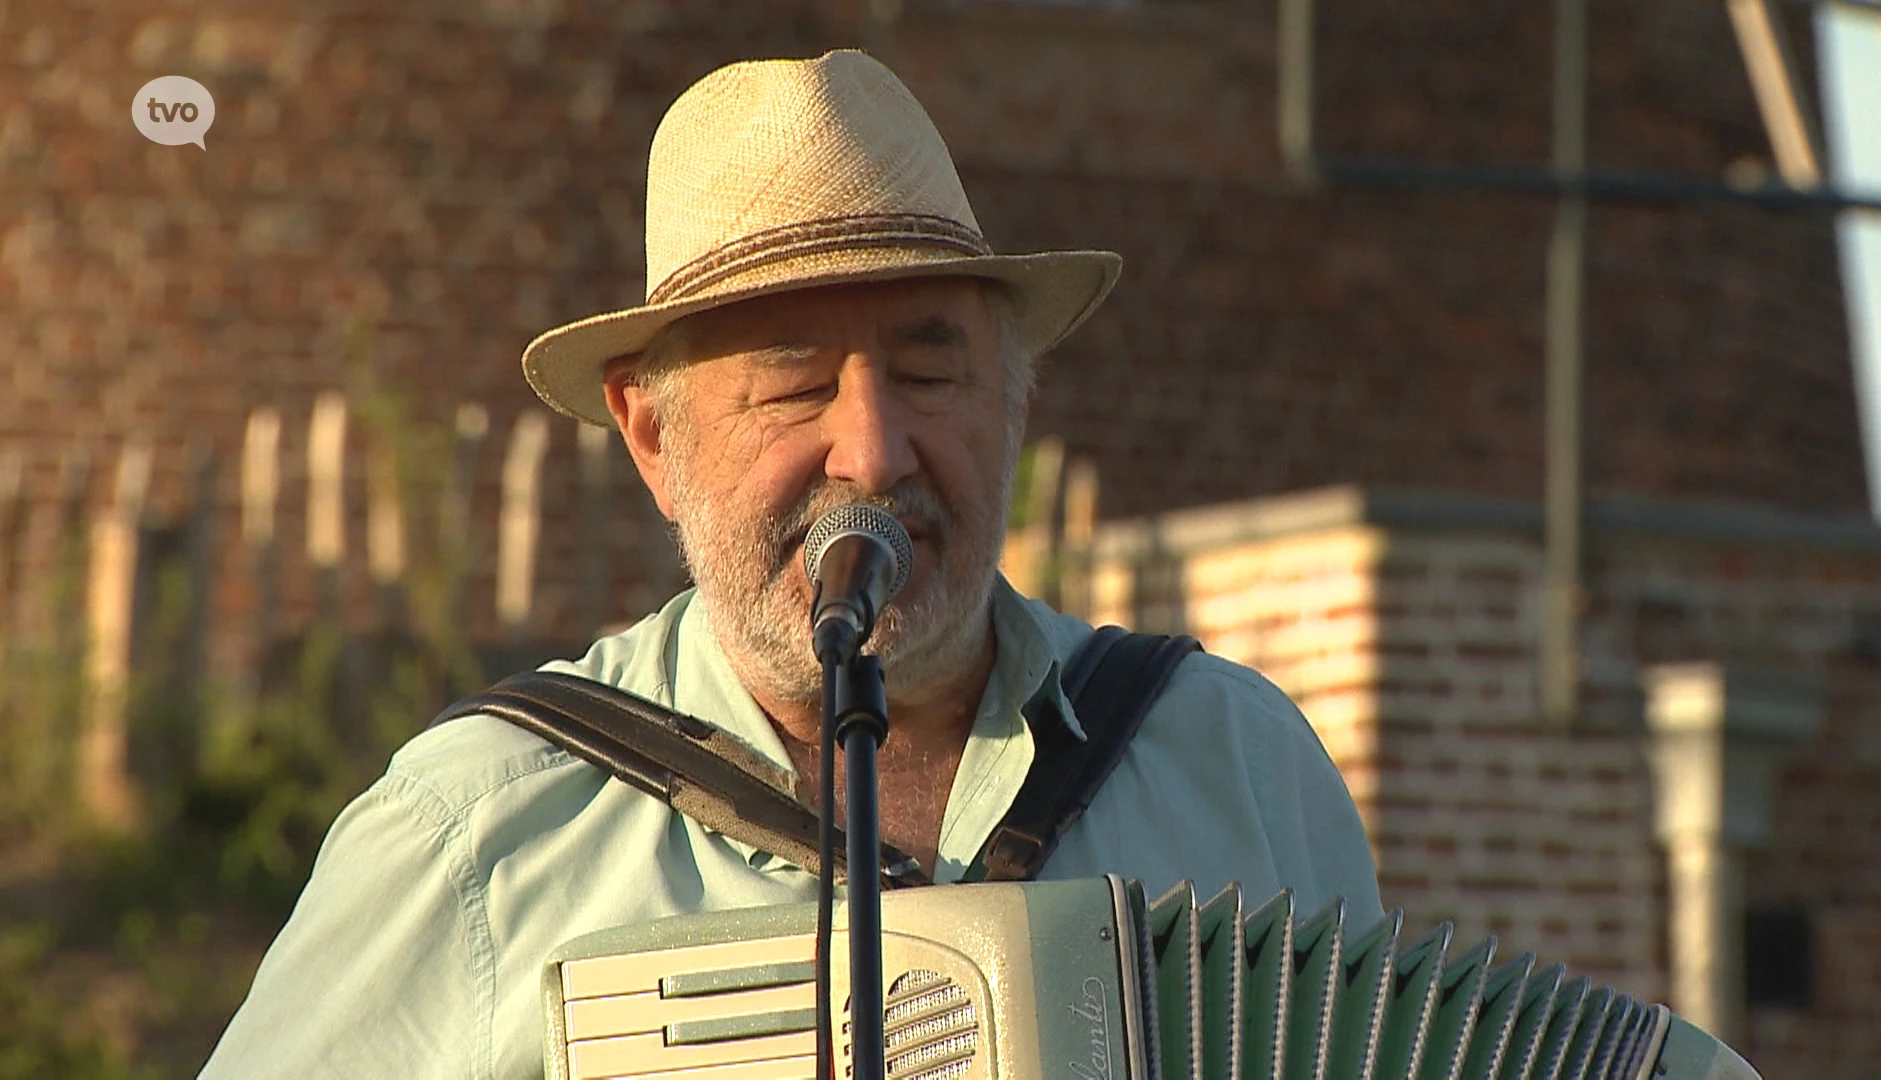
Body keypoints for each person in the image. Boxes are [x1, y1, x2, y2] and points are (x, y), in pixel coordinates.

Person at [200, 50, 1381, 1079]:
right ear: (655, 438)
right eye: (795, 384)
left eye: (929, 375)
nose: (872, 452)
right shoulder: (478, 833)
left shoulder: (1239, 765)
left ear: (1015, 402)